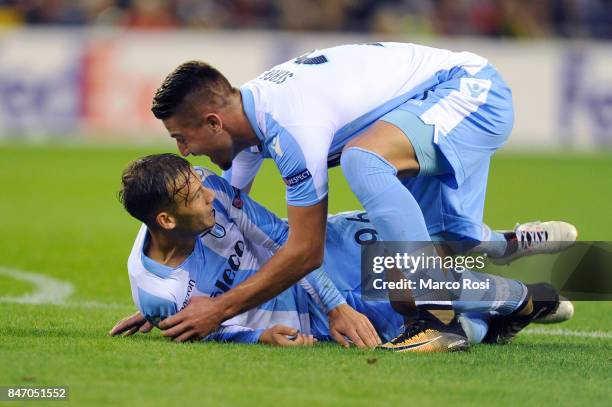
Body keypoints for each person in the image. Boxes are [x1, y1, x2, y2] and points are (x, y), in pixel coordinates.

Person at [149, 42, 577, 350]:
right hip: (424, 107)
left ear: (212, 123)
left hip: (468, 90)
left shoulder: (291, 126)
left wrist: (217, 311)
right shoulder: (249, 121)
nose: (183, 152)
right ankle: (510, 259)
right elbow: (220, 216)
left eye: (181, 138)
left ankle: (431, 316)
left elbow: (304, 252)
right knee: (443, 242)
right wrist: (170, 303)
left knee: (363, 161)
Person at [110, 154, 573, 351]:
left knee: (416, 251)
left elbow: (280, 237)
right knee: (438, 319)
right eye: (195, 197)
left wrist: (335, 305)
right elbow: (210, 330)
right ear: (165, 221)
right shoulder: (159, 289)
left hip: (318, 256)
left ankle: (510, 256)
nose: (210, 194)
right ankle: (516, 303)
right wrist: (257, 337)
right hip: (303, 314)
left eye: (200, 185)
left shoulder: (200, 185)